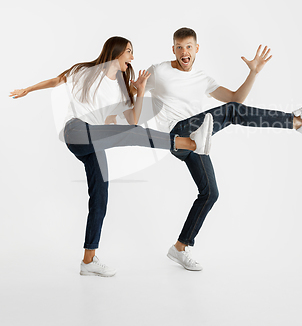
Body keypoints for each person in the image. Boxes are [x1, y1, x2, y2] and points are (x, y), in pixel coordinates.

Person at [9, 36, 214, 277]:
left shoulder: (121, 88)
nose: (132, 57)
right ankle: (187, 143)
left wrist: (138, 92)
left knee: (100, 196)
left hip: (94, 140)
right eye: (129, 51)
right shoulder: (85, 71)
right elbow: (57, 80)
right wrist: (28, 89)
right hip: (75, 131)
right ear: (116, 51)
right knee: (130, 135)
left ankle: (88, 261)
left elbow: (133, 120)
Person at [144, 27, 302, 271]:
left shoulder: (203, 79)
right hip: (176, 134)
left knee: (210, 193)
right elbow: (132, 90)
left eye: (189, 47)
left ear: (196, 49)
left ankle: (180, 247)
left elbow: (235, 99)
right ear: (173, 49)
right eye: (180, 47)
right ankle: (296, 121)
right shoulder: (158, 71)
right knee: (231, 113)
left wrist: (253, 73)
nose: (185, 52)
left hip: (196, 139)